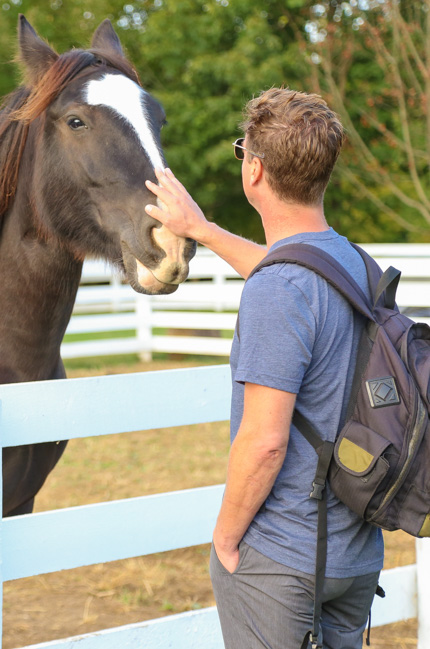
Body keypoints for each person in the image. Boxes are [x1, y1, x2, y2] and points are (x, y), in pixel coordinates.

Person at [144, 87, 384, 648]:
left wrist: (225, 540)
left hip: (281, 560)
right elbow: (288, 272)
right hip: (353, 558)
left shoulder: (279, 291)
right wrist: (201, 229)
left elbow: (265, 442)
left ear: (253, 170)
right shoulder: (353, 262)